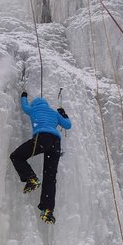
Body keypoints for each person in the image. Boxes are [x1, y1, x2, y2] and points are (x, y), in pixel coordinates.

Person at [10, 91, 72, 224]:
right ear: (46, 105)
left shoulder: (33, 109)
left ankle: (31, 178)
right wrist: (62, 113)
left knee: (16, 156)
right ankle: (48, 210)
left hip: (42, 138)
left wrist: (24, 96)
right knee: (50, 177)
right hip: (55, 143)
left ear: (36, 104)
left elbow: (24, 106)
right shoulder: (54, 113)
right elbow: (67, 125)